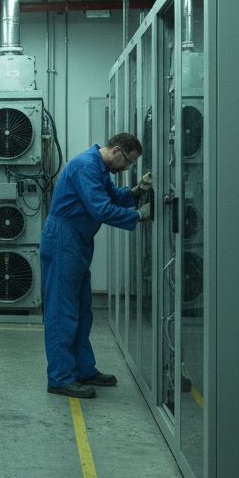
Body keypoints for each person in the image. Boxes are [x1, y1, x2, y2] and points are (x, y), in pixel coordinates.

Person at [40, 133, 152, 399]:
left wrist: (136, 193)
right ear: (116, 151)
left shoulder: (99, 168)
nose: (127, 168)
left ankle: (82, 369)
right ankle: (59, 378)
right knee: (61, 311)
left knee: (81, 309)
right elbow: (102, 209)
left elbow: (111, 195)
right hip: (63, 240)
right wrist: (138, 215)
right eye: (128, 162)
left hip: (77, 242)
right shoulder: (86, 166)